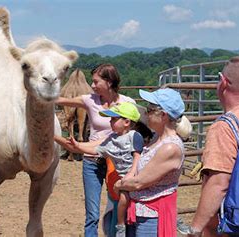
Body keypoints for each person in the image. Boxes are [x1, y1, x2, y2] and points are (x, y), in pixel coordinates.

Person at [185, 56, 239, 236]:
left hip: (232, 226)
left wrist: (196, 228)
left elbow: (218, 183)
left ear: (223, 82)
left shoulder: (223, 128)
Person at [56, 64, 135, 236]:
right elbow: (59, 100)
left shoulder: (128, 104)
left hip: (117, 162)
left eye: (95, 81)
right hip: (92, 160)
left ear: (109, 82)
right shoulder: (89, 100)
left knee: (117, 206)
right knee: (92, 213)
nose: (92, 85)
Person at [113, 88, 192, 237]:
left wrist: (119, 185)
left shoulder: (170, 147)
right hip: (140, 211)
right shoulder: (156, 138)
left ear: (163, 115)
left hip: (152, 216)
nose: (146, 114)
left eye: (149, 110)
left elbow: (139, 183)